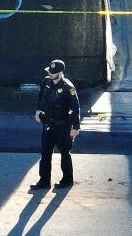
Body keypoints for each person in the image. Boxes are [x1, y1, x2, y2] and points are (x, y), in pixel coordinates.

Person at [30, 59, 81, 190]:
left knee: (65, 153)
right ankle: (44, 181)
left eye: (53, 73)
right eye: (50, 72)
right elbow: (41, 98)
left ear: (61, 72)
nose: (51, 75)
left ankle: (67, 180)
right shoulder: (46, 82)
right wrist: (37, 111)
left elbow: (76, 108)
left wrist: (75, 128)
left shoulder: (68, 88)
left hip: (62, 127)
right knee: (45, 154)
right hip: (48, 125)